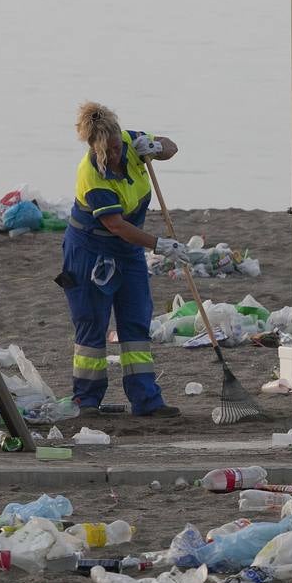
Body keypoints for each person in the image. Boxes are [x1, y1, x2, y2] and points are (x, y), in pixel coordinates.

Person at [62, 102, 187, 417]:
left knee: (135, 322)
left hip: (128, 251)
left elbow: (172, 148)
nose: (116, 154)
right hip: (90, 252)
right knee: (92, 325)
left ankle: (146, 400)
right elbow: (116, 225)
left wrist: (156, 147)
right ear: (95, 147)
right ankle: (86, 400)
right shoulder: (91, 175)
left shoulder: (131, 142)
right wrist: (160, 245)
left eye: (118, 147)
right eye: (110, 151)